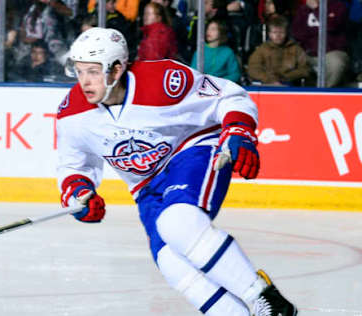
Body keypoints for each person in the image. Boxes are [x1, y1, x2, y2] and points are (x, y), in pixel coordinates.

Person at [56, 27, 298, 316]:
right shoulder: (72, 115)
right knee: (170, 262)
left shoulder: (163, 80)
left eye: (93, 72)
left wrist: (239, 131)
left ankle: (268, 300)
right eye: (80, 71)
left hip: (192, 150)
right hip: (146, 187)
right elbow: (73, 165)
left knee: (178, 222)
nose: (84, 82)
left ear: (117, 68)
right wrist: (79, 192)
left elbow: (230, 97)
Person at [291, 0, 349, 87]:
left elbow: (332, 26)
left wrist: (317, 8)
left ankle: (325, 92)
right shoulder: (303, 9)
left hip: (332, 51)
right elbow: (296, 33)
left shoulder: (338, 6)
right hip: (308, 52)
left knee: (336, 63)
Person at [247, 14, 311, 86]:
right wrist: (270, 79)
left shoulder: (295, 49)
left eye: (281, 32)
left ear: (286, 33)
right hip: (267, 84)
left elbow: (305, 69)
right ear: (269, 34)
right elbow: (253, 69)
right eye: (274, 32)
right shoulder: (262, 49)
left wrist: (286, 76)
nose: (278, 35)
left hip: (290, 84)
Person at [191, 19, 241, 83]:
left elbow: (235, 74)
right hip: (203, 86)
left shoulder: (228, 52)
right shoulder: (200, 50)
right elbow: (193, 72)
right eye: (208, 29)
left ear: (221, 32)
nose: (208, 32)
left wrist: (220, 81)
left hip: (223, 88)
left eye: (213, 29)